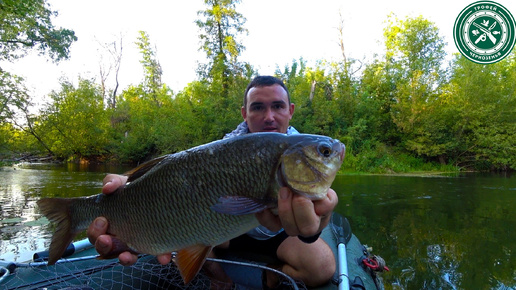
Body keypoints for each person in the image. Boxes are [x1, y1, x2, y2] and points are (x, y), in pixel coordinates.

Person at [87, 76, 338, 288]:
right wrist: (132, 186)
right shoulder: (222, 149)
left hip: (277, 231)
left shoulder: (301, 151)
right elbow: (179, 173)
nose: (269, 116)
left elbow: (318, 213)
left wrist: (318, 222)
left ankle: (264, 278)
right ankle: (216, 276)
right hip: (222, 226)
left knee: (322, 266)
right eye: (258, 107)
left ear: (290, 111)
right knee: (195, 224)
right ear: (245, 113)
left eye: (277, 106)